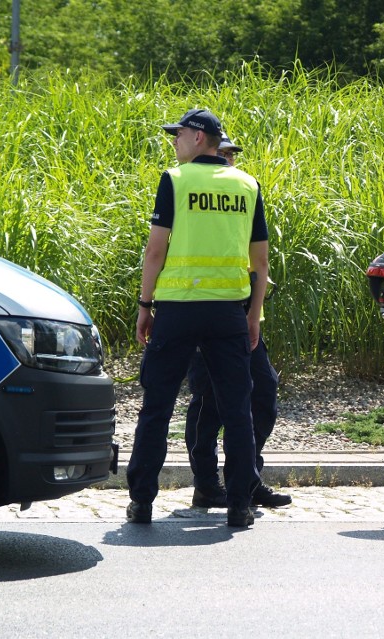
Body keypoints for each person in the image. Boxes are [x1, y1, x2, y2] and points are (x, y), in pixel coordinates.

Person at [126, 108, 265, 528]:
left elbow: (155, 252)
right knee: (237, 409)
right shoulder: (247, 185)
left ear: (201, 137)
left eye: (180, 134)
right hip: (228, 312)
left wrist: (144, 306)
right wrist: (254, 315)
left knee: (157, 407)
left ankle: (142, 502)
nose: (175, 141)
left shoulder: (176, 180)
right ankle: (239, 505)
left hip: (178, 310)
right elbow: (259, 259)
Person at [186, 134, 292, 510]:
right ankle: (206, 483)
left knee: (263, 394)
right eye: (225, 154)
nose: (230, 161)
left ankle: (244, 480)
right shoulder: (194, 193)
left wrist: (254, 315)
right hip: (204, 310)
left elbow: (256, 257)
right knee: (209, 402)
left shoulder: (243, 196)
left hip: (244, 317)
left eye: (233, 155)